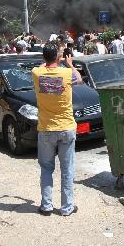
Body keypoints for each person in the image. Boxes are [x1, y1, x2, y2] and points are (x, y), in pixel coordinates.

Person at [32, 42, 83, 216]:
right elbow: (80, 79)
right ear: (59, 57)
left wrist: (51, 59)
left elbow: (41, 65)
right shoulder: (67, 73)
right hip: (66, 127)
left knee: (46, 168)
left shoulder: (37, 73)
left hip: (46, 128)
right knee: (67, 169)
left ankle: (46, 206)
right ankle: (67, 207)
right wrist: (69, 64)